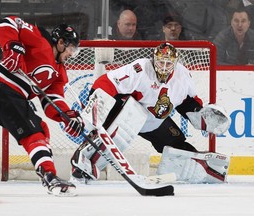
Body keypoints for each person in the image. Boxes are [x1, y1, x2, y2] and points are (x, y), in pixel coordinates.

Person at [70, 42, 230, 183]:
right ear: (154, 59)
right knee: (119, 133)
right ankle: (85, 161)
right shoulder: (140, 69)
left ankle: (203, 168)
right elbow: (106, 82)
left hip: (154, 121)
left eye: (169, 64)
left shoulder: (183, 76)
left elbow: (188, 102)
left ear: (175, 63)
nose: (164, 68)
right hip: (129, 114)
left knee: (176, 144)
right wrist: (97, 105)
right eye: (161, 63)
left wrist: (200, 115)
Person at [0, 15, 84, 195]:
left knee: (40, 129)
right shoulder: (40, 40)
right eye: (71, 48)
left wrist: (66, 117)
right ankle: (49, 176)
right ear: (60, 43)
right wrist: (13, 46)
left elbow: (52, 103)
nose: (72, 54)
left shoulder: (59, 74)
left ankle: (47, 172)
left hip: (3, 97)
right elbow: (7, 23)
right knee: (34, 132)